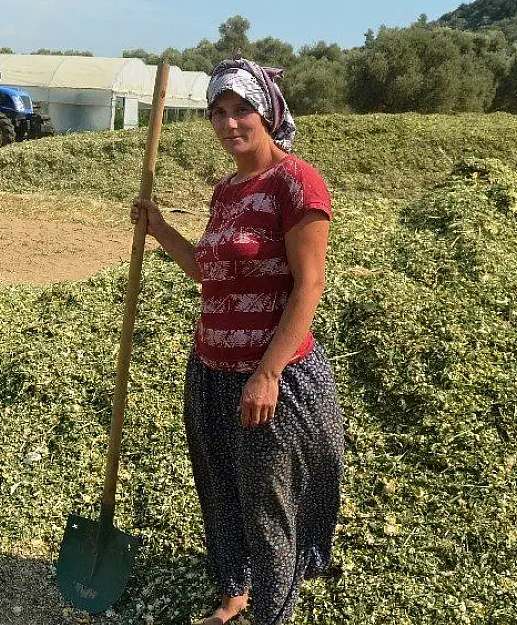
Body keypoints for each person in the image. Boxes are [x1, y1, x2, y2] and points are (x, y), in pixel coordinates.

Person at [131, 58, 345, 625]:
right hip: (211, 365)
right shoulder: (227, 190)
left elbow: (310, 285)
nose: (229, 124)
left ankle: (270, 613)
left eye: (240, 110)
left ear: (267, 111)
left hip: (271, 375)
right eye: (218, 113)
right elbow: (208, 271)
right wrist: (157, 228)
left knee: (269, 504)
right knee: (222, 488)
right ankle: (234, 592)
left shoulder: (296, 182)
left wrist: (268, 373)